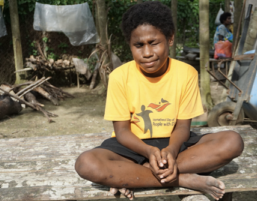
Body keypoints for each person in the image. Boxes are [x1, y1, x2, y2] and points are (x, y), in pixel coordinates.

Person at [75, 2, 244, 200]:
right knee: (86, 163)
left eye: (154, 42)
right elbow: (122, 131)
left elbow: (182, 127)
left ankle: (137, 173)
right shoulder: (119, 76)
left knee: (232, 141)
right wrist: (148, 151)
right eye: (138, 45)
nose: (147, 53)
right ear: (130, 45)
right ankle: (182, 179)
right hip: (132, 146)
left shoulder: (186, 73)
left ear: (170, 39)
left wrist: (171, 151)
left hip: (175, 143)